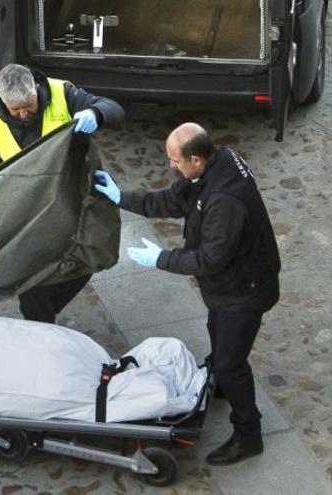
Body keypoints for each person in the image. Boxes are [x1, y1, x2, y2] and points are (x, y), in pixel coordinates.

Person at [93, 122, 280, 466]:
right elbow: (173, 199)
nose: (171, 167)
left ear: (196, 159)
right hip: (228, 288)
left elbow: (209, 259)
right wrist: (123, 197)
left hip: (244, 290)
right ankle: (222, 381)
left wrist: (161, 259)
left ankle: (248, 434)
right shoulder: (215, 164)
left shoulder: (224, 201)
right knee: (216, 332)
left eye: (175, 161)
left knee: (230, 360)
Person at [0, 63, 125, 324]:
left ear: (36, 89)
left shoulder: (61, 93)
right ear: (1, 100)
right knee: (32, 280)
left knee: (88, 259)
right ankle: (40, 325)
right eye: (15, 109)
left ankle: (45, 311)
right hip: (26, 212)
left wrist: (95, 113)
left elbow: (114, 109)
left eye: (28, 107)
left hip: (70, 200)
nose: (22, 114)